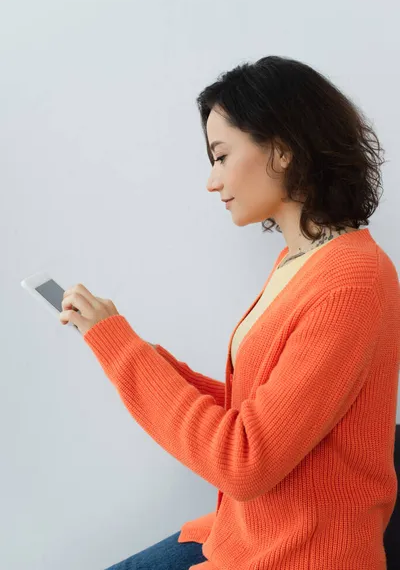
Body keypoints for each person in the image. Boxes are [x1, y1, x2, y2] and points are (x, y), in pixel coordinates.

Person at [88, 56, 400, 569]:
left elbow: (244, 459)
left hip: (300, 556)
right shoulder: (300, 260)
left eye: (221, 156)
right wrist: (136, 353)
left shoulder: (352, 279)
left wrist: (125, 354)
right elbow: (259, 410)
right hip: (247, 535)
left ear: (281, 149)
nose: (213, 182)